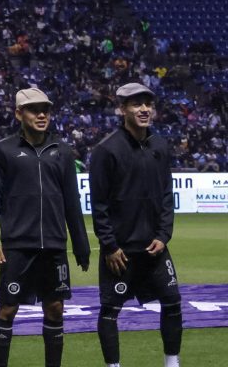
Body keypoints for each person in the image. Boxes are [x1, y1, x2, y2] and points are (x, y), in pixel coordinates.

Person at [0, 88, 91, 367]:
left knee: (55, 309)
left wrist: (81, 246)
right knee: (7, 309)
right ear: (19, 113)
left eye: (46, 110)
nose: (42, 115)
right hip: (17, 247)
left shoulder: (62, 152)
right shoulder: (3, 150)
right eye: (34, 110)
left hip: (54, 246)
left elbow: (72, 202)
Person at [90, 83, 182, 367]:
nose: (144, 110)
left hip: (155, 248)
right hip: (121, 252)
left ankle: (172, 363)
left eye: (147, 104)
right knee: (110, 311)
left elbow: (166, 195)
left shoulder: (160, 145)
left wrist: (164, 235)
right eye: (136, 104)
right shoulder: (106, 150)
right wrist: (109, 246)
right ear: (122, 109)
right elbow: (99, 204)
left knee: (173, 303)